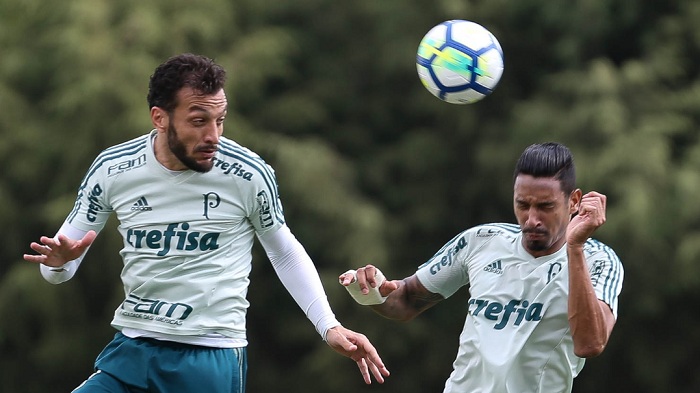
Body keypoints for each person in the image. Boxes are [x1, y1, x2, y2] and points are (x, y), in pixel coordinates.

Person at [23, 53, 389, 393]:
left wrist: (328, 325)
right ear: (159, 117)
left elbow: (284, 252)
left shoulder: (248, 173)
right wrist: (58, 265)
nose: (213, 135)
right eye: (198, 121)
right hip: (132, 348)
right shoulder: (113, 168)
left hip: (208, 356)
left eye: (220, 119)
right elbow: (59, 266)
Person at [339, 142, 624, 393]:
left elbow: (590, 344)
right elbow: (406, 300)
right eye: (522, 204)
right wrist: (371, 291)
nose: (531, 218)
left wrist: (574, 248)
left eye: (546, 206)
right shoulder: (481, 241)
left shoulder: (599, 261)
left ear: (573, 201)